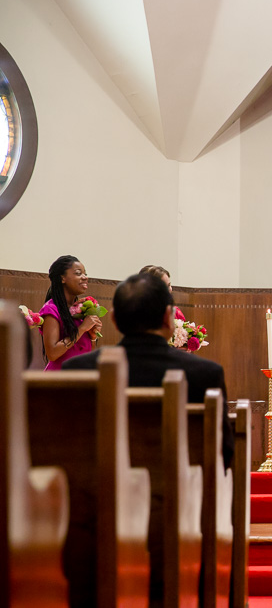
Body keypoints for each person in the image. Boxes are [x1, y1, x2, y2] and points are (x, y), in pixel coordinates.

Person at [62, 272, 233, 607]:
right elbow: (223, 455)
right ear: (169, 319)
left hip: (93, 521)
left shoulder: (78, 370)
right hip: (177, 521)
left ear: (114, 319)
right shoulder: (203, 375)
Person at [39, 255, 102, 370]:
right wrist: (82, 328)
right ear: (62, 278)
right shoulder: (51, 309)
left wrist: (93, 337)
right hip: (59, 377)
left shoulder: (81, 309)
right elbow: (52, 353)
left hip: (80, 376)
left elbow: (86, 352)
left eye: (85, 274)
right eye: (78, 273)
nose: (85, 277)